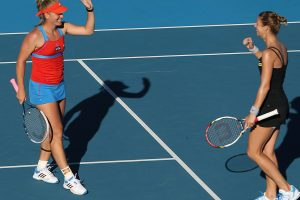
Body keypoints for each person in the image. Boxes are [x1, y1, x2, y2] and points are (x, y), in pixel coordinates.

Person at [15, 0, 94, 195]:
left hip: (59, 87)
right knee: (57, 133)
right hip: (42, 90)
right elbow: (20, 60)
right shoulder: (35, 36)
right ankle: (69, 178)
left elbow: (88, 30)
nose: (62, 16)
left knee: (52, 132)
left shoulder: (62, 29)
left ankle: (41, 169)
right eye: (58, 13)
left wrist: (90, 9)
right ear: (47, 14)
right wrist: (21, 89)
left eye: (61, 13)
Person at [243, 11, 300, 200]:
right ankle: (270, 195)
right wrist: (253, 49)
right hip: (279, 105)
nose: (255, 26)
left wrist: (253, 113)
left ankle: (287, 189)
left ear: (266, 27)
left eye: (257, 24)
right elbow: (268, 63)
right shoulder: (280, 48)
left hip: (270, 107)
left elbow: (265, 85)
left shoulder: (269, 53)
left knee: (253, 152)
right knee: (267, 151)